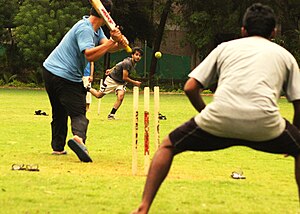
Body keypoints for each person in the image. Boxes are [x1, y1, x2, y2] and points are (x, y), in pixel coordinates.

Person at [132, 3, 300, 213]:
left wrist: (206, 114)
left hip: (218, 119)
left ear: (243, 30)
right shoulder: (285, 56)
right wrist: (294, 138)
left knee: (167, 146)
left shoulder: (225, 48)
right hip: (265, 125)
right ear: (273, 31)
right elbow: (298, 103)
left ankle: (143, 207)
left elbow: (191, 87)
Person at [43, 0, 128, 161]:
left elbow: (107, 47)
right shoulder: (85, 29)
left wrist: (120, 43)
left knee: (60, 111)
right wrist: (112, 41)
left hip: (49, 71)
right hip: (64, 76)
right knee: (79, 112)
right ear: (106, 15)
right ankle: (78, 139)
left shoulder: (96, 30)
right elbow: (89, 54)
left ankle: (58, 148)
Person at [88, 47, 143, 119]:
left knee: (120, 96)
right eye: (136, 54)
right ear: (132, 55)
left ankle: (111, 115)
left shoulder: (133, 63)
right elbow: (125, 77)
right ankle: (87, 88)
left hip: (121, 82)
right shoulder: (128, 63)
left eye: (140, 56)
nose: (138, 57)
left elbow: (119, 64)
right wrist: (135, 82)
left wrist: (111, 69)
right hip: (112, 80)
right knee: (98, 95)